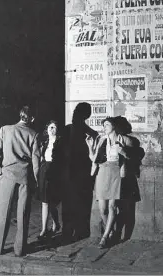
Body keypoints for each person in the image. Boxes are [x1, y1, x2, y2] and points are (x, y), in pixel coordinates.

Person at [0, 106, 40, 257]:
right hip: (24, 178)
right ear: (31, 119)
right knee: (23, 213)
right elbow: (36, 162)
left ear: (20, 115)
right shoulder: (34, 134)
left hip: (7, 176)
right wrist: (36, 182)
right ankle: (20, 249)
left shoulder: (5, 130)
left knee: (3, 212)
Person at [86, 116, 143, 249]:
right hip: (102, 173)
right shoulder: (101, 140)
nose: (104, 127)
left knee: (112, 206)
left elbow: (134, 156)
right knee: (103, 209)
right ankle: (110, 230)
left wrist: (122, 151)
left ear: (114, 126)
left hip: (116, 173)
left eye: (106, 125)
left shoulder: (125, 140)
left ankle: (105, 237)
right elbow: (93, 159)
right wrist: (90, 147)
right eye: (103, 125)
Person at [60, 102, 98, 242]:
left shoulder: (66, 130)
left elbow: (58, 153)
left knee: (68, 203)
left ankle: (67, 231)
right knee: (81, 203)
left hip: (67, 173)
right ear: (87, 115)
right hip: (82, 174)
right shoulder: (91, 133)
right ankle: (80, 230)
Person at [37, 120, 61, 240]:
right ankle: (44, 229)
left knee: (52, 203)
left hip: (55, 172)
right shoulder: (44, 142)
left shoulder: (60, 142)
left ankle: (56, 223)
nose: (52, 130)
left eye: (54, 127)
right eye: (50, 127)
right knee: (44, 201)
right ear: (47, 130)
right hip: (44, 171)